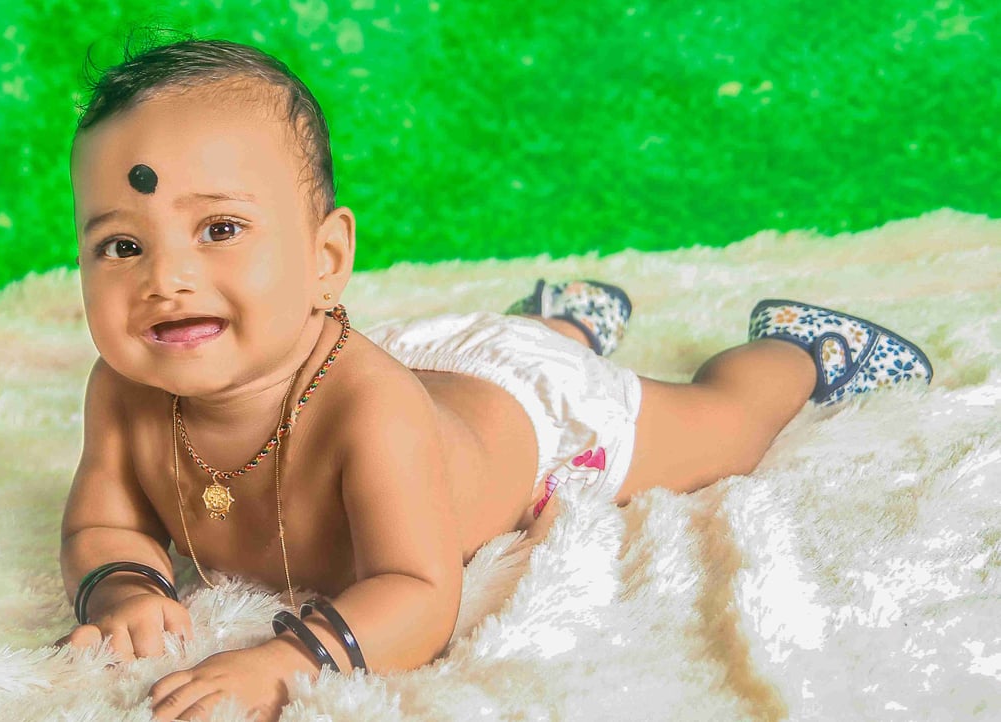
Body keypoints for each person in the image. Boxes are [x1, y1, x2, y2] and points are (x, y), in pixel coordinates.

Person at [57, 38, 933, 720]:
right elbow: (103, 520)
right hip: (432, 355)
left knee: (724, 428)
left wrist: (289, 662)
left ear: (326, 260)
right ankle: (560, 317)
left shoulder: (368, 408)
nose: (164, 278)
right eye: (121, 245)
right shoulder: (123, 389)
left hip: (534, 415)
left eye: (219, 230)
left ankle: (799, 349)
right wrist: (124, 585)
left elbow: (417, 593)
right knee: (512, 345)